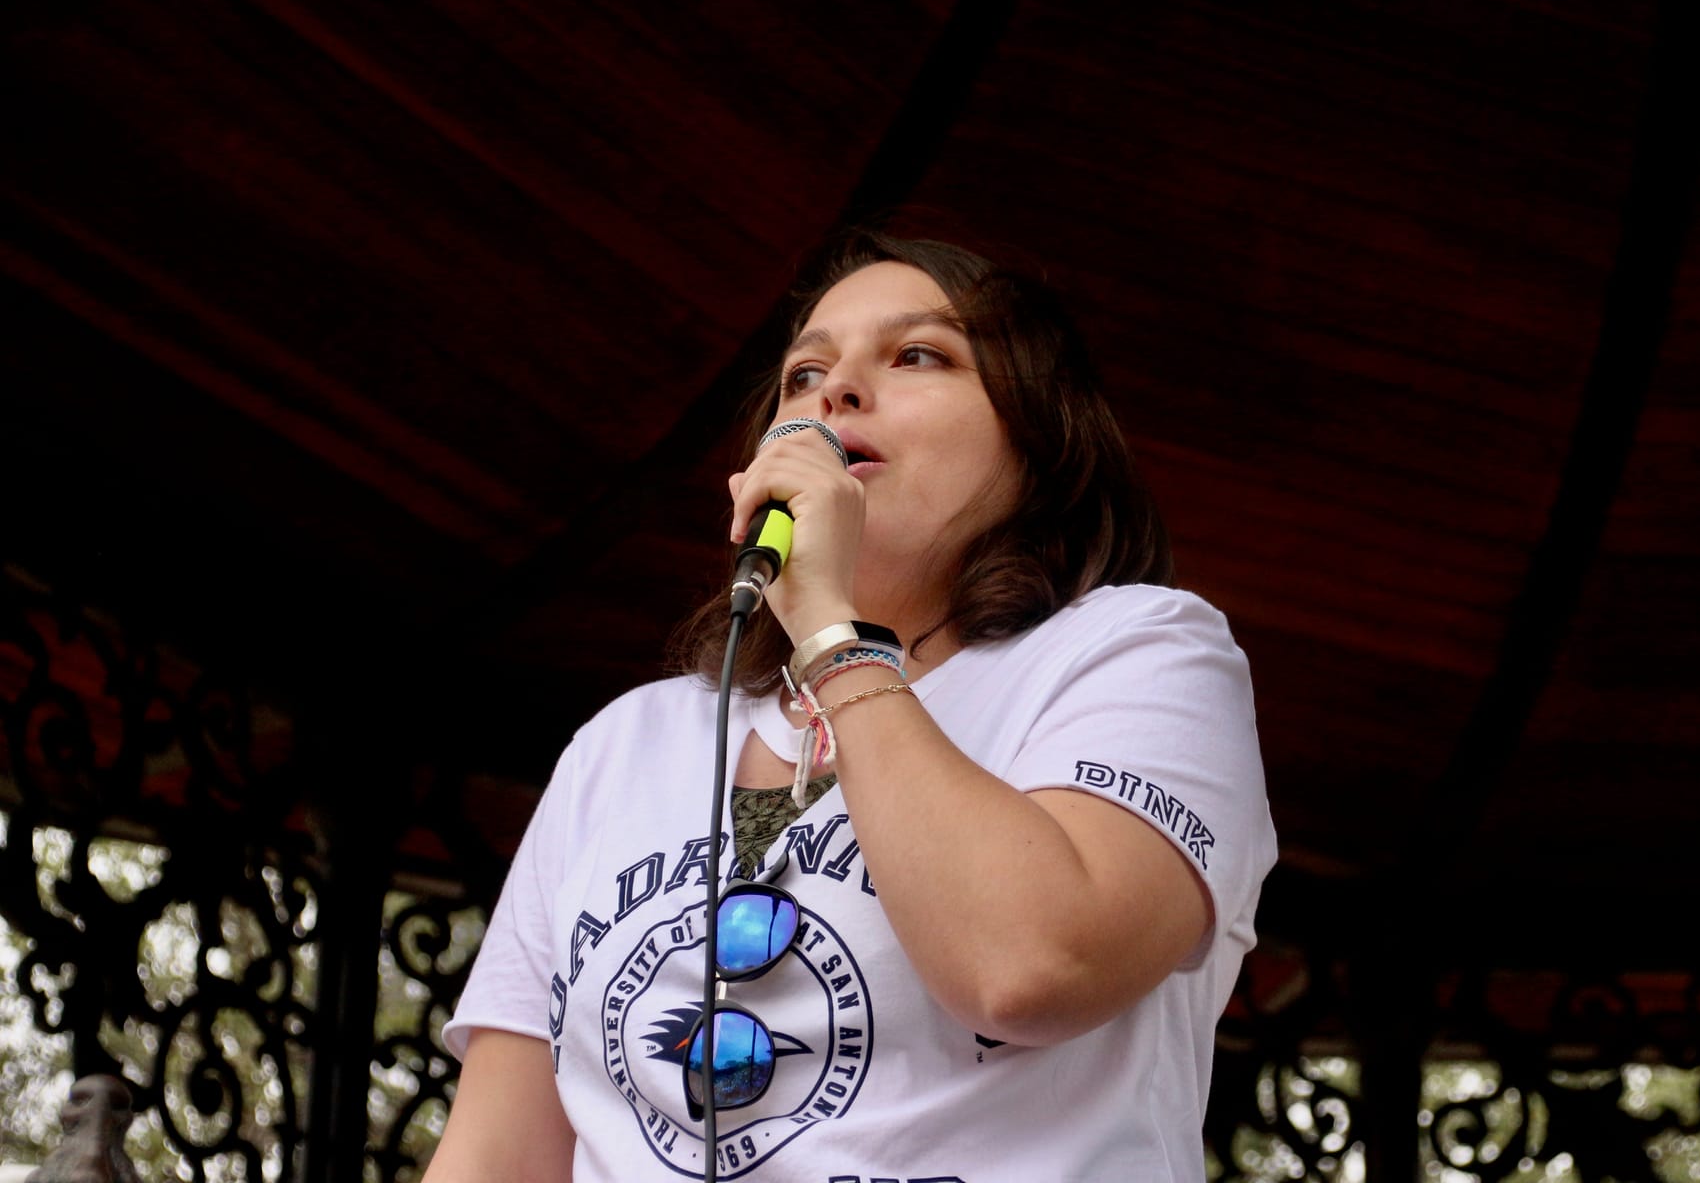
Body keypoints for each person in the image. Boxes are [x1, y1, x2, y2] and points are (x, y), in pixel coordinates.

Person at [427, 231, 1276, 1182]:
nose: (834, 393)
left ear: (1040, 440)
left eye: (919, 355)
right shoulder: (627, 743)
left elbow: (1029, 968)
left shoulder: (1140, 652)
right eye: (802, 374)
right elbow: (497, 1150)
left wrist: (833, 632)